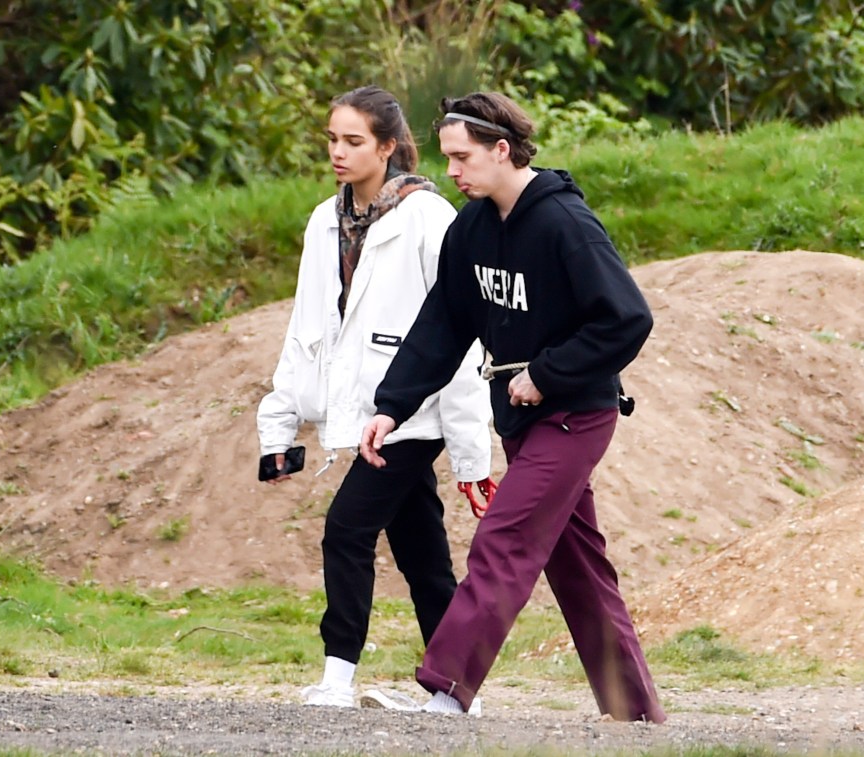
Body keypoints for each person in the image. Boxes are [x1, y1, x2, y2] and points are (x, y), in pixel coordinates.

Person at [359, 92, 666, 723]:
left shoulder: (564, 224)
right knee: (579, 568)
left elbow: (628, 319)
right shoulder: (470, 229)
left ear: (503, 150)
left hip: (575, 415)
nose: (452, 172)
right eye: (446, 158)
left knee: (504, 538)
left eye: (463, 158)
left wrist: (548, 374)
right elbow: (442, 324)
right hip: (524, 421)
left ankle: (447, 691)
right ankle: (635, 715)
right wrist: (392, 407)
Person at [257, 85, 493, 709]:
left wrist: (473, 455)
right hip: (360, 414)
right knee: (423, 555)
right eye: (332, 139)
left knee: (346, 529)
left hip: (413, 413)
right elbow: (307, 331)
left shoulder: (429, 218)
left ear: (388, 147)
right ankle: (459, 689)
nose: (338, 152)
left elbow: (462, 335)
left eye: (353, 141)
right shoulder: (322, 221)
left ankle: (337, 678)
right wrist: (277, 428)